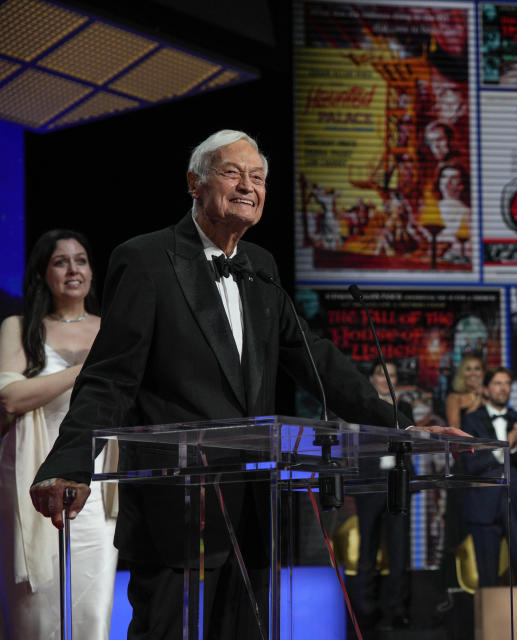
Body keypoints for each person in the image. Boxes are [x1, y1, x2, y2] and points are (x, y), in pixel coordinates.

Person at [27, 130, 466, 639]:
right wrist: (70, 462)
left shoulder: (261, 267)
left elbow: (314, 358)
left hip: (254, 512)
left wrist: (403, 427)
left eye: (257, 178)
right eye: (232, 173)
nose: (247, 186)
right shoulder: (146, 259)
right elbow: (111, 376)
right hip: (177, 513)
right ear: (194, 183)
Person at [0, 230, 118, 640]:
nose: (73, 269)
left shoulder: (113, 329)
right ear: (43, 273)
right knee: (34, 614)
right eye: (60, 261)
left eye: (81, 260)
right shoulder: (21, 327)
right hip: (30, 480)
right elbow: (11, 399)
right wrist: (86, 371)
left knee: (92, 612)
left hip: (97, 486)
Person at [460, 367, 517, 587]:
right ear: (485, 389)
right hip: (484, 506)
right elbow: (471, 464)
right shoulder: (471, 421)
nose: (503, 389)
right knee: (487, 575)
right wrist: (505, 445)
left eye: (507, 383)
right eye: (497, 383)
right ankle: (490, 621)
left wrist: (516, 445)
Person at [354, 361, 413, 630]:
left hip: (398, 483)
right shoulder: (362, 408)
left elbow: (412, 443)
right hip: (370, 483)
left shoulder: (405, 408)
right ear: (371, 378)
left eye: (392, 374)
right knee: (368, 547)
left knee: (399, 549)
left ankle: (397, 610)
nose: (386, 378)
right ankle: (365, 610)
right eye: (381, 373)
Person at [445, 354, 484, 429]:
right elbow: (454, 428)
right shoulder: (454, 398)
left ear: (483, 372)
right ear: (462, 373)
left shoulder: (490, 397)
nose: (473, 373)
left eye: (477, 368)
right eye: (468, 369)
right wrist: (477, 402)